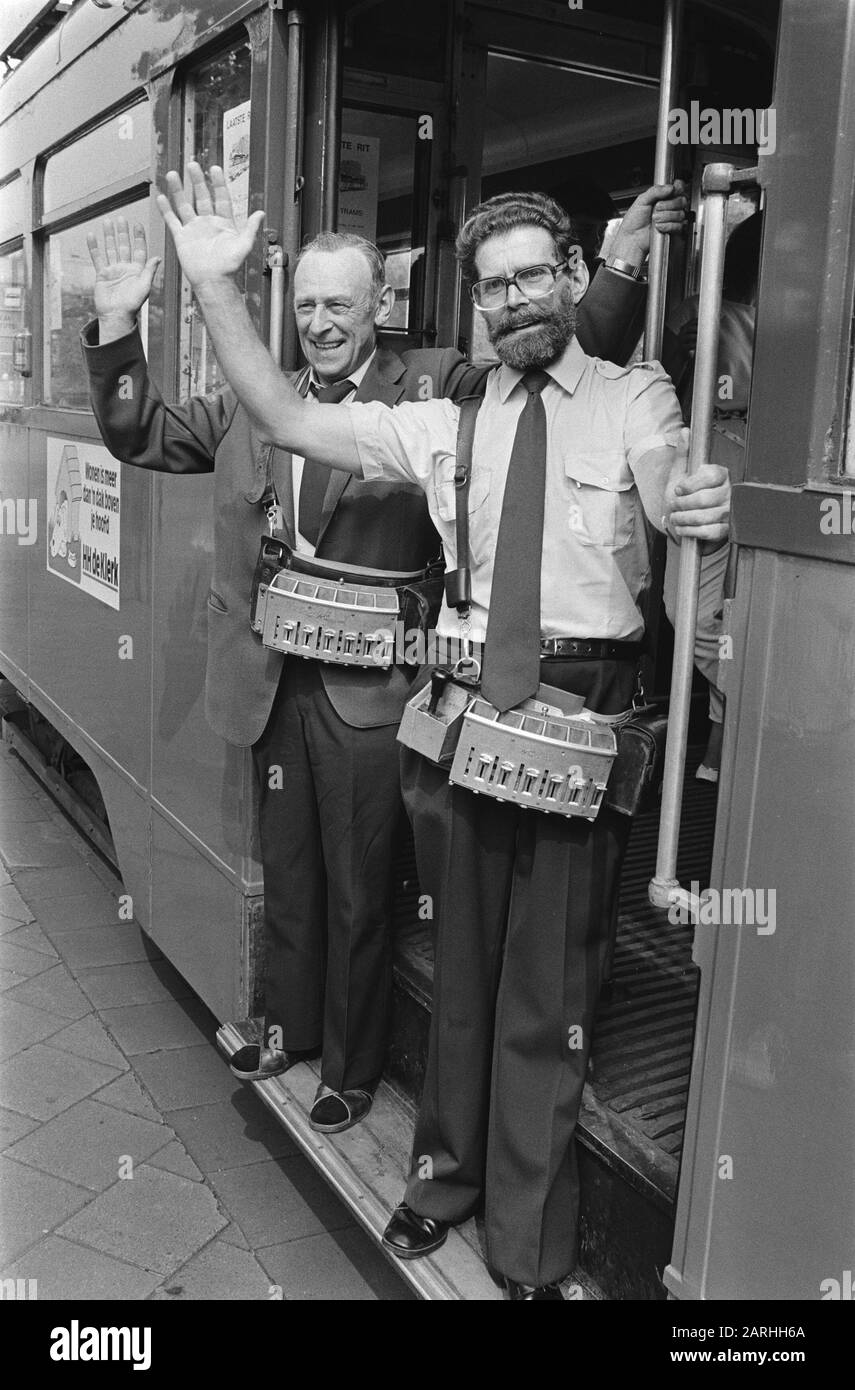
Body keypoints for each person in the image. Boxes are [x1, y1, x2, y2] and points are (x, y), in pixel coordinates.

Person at [151, 164, 729, 1299]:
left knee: (545, 1000)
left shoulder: (637, 396)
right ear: (473, 305)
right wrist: (217, 287)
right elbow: (280, 413)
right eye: (494, 287)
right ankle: (439, 1180)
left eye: (533, 277)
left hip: (576, 733)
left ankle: (526, 1244)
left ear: (571, 278)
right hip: (465, 729)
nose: (516, 300)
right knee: (461, 975)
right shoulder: (436, 421)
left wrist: (698, 503)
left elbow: (670, 492)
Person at [662, 212, 761, 780]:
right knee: (695, 613)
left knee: (731, 611)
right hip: (707, 447)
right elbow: (664, 386)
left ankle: (729, 740)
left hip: (761, 454)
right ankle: (750, 716)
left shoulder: (797, 323)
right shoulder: (697, 315)